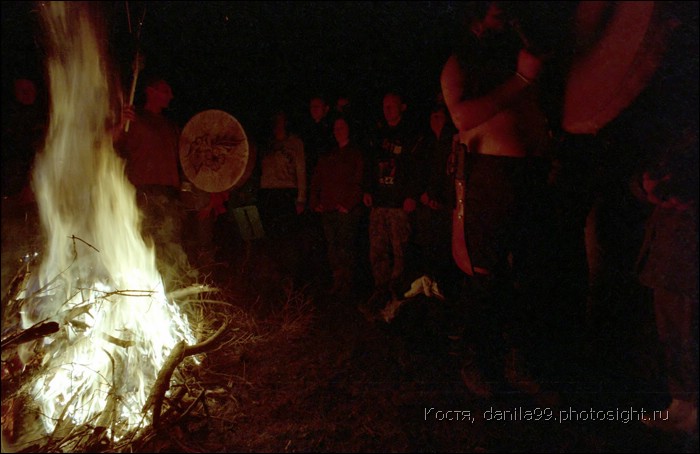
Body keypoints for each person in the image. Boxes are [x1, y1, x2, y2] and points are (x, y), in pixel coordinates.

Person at [440, 1, 554, 398]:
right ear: (475, 17)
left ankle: (517, 358)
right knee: (484, 273)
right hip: (488, 177)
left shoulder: (518, 56)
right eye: (496, 14)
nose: (507, 18)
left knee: (526, 272)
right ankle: (474, 357)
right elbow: (461, 118)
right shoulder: (461, 62)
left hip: (529, 175)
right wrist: (522, 79)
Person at [635, 131, 698, 434]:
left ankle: (687, 406)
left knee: (684, 329)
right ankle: (683, 403)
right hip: (671, 248)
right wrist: (647, 185)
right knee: (674, 327)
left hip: (684, 251)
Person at [114, 75, 193, 285]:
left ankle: (172, 288)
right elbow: (108, 143)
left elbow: (184, 160)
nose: (171, 96)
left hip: (170, 192)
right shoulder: (134, 118)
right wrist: (120, 124)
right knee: (145, 243)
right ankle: (142, 286)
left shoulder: (171, 126)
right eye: (165, 90)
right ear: (150, 91)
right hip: (143, 191)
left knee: (171, 243)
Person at [359, 90, 423, 319]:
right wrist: (367, 189)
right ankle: (380, 291)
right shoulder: (377, 133)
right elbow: (370, 162)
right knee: (377, 248)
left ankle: (398, 294)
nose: (387, 110)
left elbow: (416, 167)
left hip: (398, 203)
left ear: (402, 107)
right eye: (385, 106)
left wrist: (411, 195)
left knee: (400, 249)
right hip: (379, 201)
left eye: (392, 106)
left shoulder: (410, 134)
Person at [309, 115, 364, 298]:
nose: (337, 131)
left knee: (345, 247)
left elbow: (359, 181)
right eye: (335, 128)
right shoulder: (329, 154)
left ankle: (347, 283)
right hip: (329, 208)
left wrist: (348, 204)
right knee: (333, 247)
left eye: (341, 127)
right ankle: (337, 281)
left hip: (345, 210)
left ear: (348, 129)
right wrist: (315, 201)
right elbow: (317, 177)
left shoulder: (355, 153)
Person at [256, 110, 307, 286]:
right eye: (275, 121)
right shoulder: (267, 144)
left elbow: (300, 169)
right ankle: (273, 274)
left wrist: (301, 197)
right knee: (271, 235)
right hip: (268, 192)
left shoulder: (295, 143)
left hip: (286, 191)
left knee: (288, 237)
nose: (278, 124)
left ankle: (290, 277)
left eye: (281, 120)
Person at [2, 78, 47, 200]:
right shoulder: (11, 118)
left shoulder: (41, 113)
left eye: (29, 89)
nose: (27, 93)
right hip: (17, 176)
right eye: (23, 90)